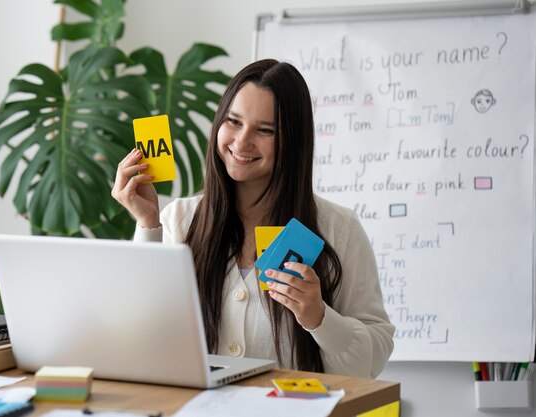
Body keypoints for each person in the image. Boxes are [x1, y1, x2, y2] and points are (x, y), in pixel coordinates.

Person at [111, 59, 394, 378]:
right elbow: (140, 336)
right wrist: (148, 225)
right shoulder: (179, 218)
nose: (242, 142)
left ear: (293, 140)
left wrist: (319, 318)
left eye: (265, 130)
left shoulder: (339, 229)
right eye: (233, 121)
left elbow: (371, 363)